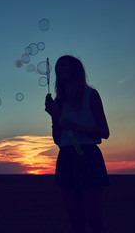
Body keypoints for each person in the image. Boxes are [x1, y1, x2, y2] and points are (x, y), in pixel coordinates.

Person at [45, 55, 110, 233]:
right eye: (58, 66)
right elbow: (58, 140)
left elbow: (104, 132)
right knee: (75, 221)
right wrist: (54, 117)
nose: (59, 69)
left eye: (64, 65)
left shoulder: (91, 95)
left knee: (94, 220)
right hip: (66, 157)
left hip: (88, 156)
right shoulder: (59, 101)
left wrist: (75, 126)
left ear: (75, 70)